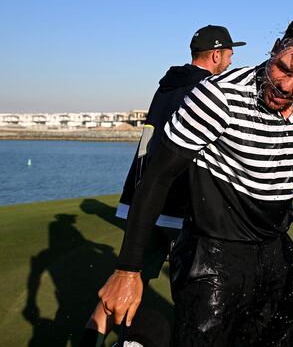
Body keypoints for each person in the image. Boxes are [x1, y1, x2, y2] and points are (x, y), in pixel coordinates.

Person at [96, 17, 293, 346]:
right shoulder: (217, 96)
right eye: (283, 68)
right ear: (276, 48)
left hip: (275, 254)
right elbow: (157, 177)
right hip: (211, 255)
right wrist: (128, 269)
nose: (286, 86)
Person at [80, 25, 245, 347]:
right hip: (180, 201)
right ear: (215, 54)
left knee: (127, 280)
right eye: (229, 52)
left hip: (143, 199)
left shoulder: (168, 85)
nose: (232, 57)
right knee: (204, 286)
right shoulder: (210, 89)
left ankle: (91, 341)